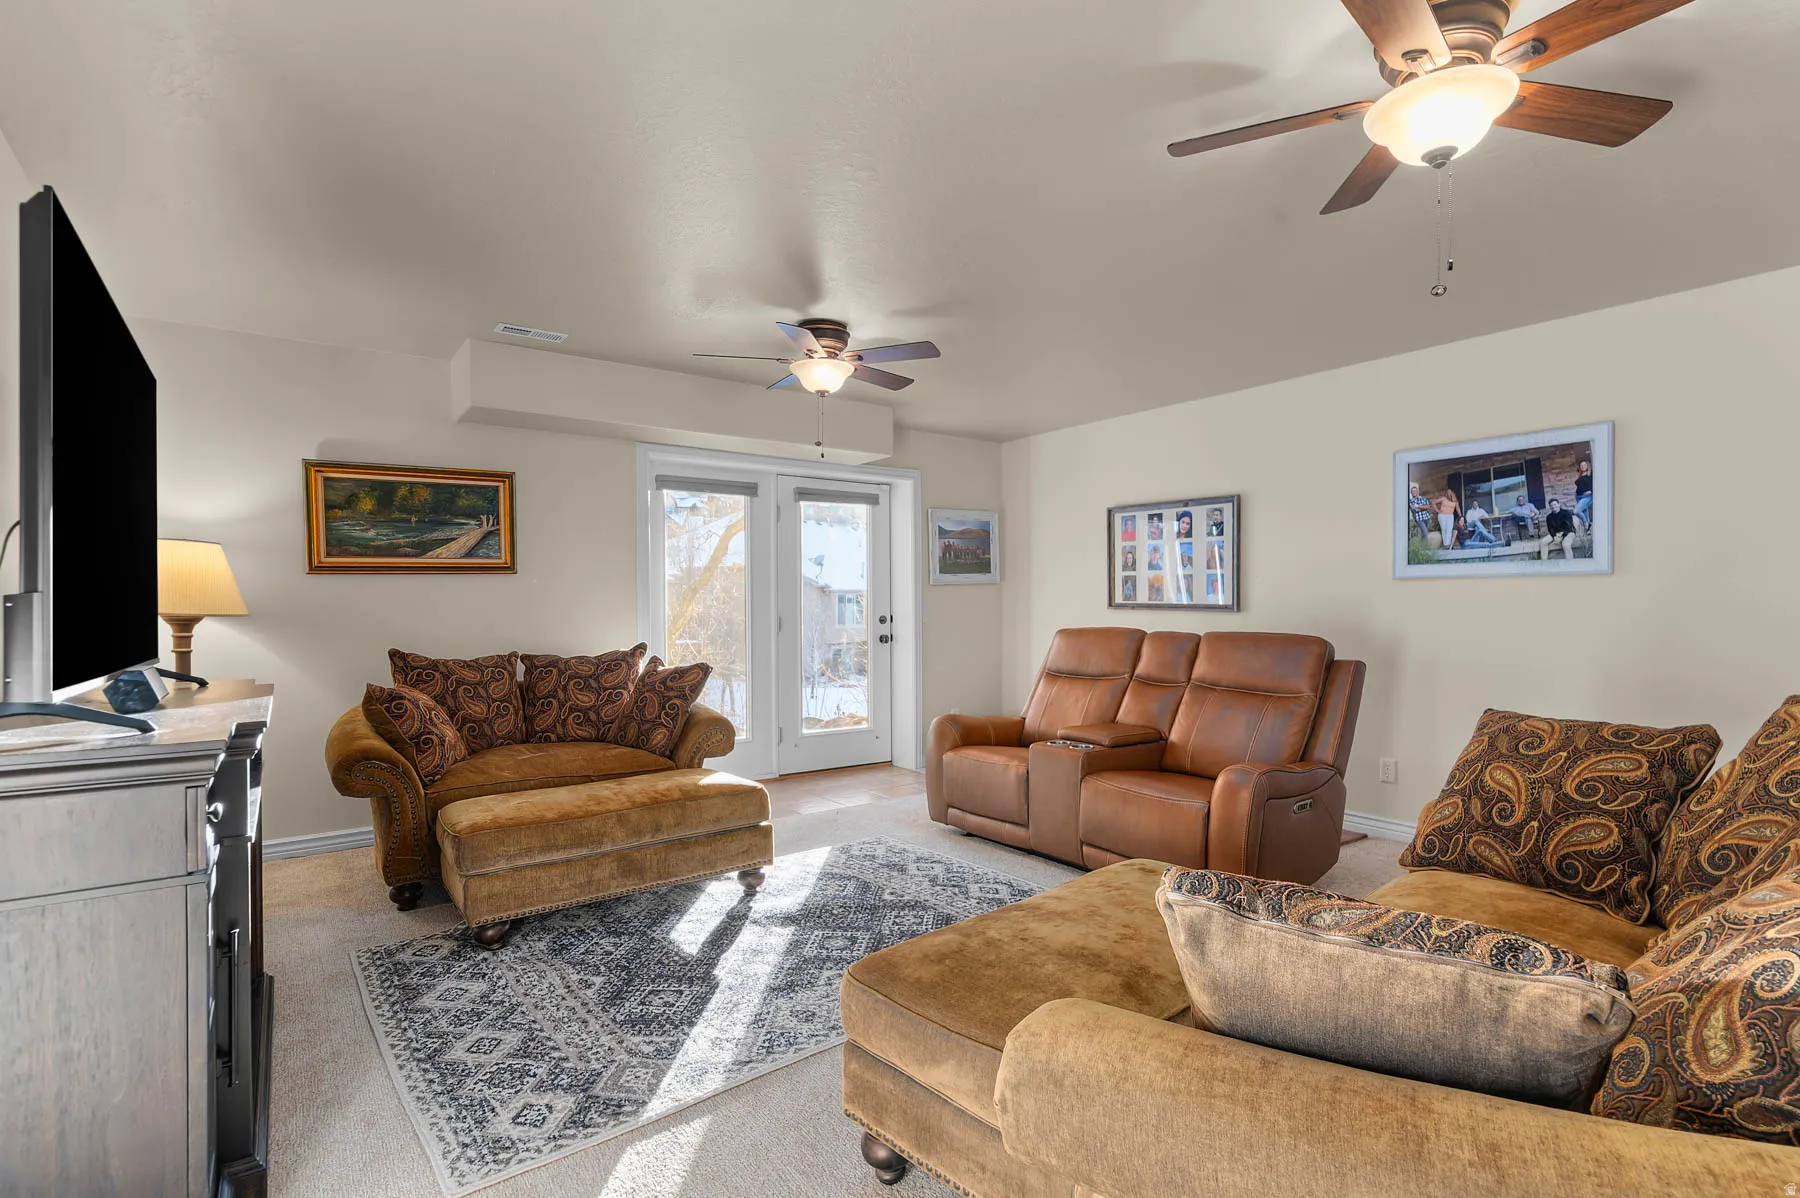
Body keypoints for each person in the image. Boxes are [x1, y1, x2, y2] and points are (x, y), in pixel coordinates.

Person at [1574, 460, 1594, 528]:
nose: (1582, 466)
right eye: (1581, 465)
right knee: (1585, 512)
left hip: (1587, 496)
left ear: (1587, 465)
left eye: (1584, 465)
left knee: (1576, 511)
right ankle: (1588, 528)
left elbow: (1595, 483)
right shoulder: (1580, 475)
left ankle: (1586, 523)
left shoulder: (1591, 474)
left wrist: (1591, 491)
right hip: (1579, 496)